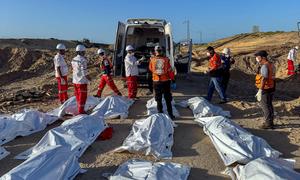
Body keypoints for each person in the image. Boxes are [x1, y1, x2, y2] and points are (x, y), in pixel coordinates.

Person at [149, 45, 175, 119]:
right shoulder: (166, 60)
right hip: (165, 81)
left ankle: (160, 113)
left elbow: (150, 69)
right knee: (168, 98)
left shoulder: (152, 60)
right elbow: (170, 71)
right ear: (162, 51)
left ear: (155, 51)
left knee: (158, 98)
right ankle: (170, 114)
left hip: (156, 81)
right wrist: (173, 79)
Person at [254, 50, 276, 129]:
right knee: (269, 105)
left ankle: (268, 124)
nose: (256, 58)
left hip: (265, 89)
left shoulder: (264, 66)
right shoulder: (271, 65)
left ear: (262, 57)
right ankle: (270, 122)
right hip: (271, 87)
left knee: (265, 106)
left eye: (257, 56)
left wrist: (260, 90)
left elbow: (264, 78)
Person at [71, 44, 91, 114]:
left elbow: (73, 69)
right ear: (82, 52)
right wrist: (89, 79)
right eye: (84, 52)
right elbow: (84, 72)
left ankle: (79, 108)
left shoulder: (73, 59)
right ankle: (81, 111)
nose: (84, 53)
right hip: (82, 81)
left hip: (75, 81)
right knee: (82, 97)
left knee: (78, 96)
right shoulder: (83, 60)